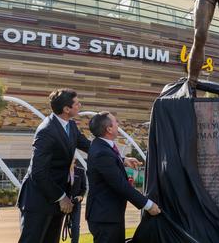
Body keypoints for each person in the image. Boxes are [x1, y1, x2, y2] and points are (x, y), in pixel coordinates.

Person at [17, 89, 91, 243]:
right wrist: (61, 197)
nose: (80, 105)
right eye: (77, 103)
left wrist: (120, 158)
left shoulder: (70, 125)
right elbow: (38, 173)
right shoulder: (46, 131)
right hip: (38, 201)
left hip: (56, 203)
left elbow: (89, 146)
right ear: (66, 109)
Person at [86, 112, 161, 243]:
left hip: (109, 215)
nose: (118, 124)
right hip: (105, 218)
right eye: (115, 122)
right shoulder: (102, 152)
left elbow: (110, 161)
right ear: (109, 129)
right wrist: (147, 205)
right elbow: (120, 185)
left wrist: (123, 159)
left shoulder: (101, 146)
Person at [64, 158, 87, 243]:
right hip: (63, 203)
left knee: (75, 226)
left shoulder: (81, 171)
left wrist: (80, 196)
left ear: (74, 159)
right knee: (57, 224)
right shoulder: (63, 171)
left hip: (76, 203)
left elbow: (84, 187)